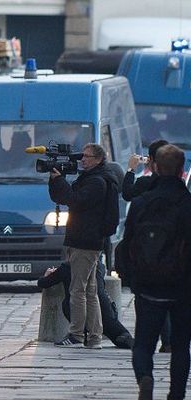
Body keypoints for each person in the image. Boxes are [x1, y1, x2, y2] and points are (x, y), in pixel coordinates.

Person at [120, 144, 191, 400]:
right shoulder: (187, 204)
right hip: (183, 288)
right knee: (182, 345)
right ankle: (176, 394)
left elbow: (126, 244)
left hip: (148, 286)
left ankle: (145, 378)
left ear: (155, 167)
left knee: (143, 344)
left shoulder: (141, 203)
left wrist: (131, 279)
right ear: (182, 170)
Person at [48, 143, 119, 349]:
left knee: (77, 290)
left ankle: (77, 334)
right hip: (85, 239)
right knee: (89, 290)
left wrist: (60, 180)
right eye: (83, 156)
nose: (82, 160)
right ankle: (95, 337)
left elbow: (74, 200)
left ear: (98, 159)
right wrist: (55, 180)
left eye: (87, 157)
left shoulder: (97, 182)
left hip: (85, 241)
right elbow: (62, 197)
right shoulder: (93, 178)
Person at [122, 139, 172, 354]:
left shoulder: (145, 184)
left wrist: (131, 169)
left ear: (151, 161)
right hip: (173, 250)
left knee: (148, 297)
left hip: (148, 249)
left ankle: (149, 341)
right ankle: (170, 341)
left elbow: (127, 193)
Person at [38, 262, 134, 349]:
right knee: (117, 331)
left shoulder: (67, 268)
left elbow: (43, 283)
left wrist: (47, 275)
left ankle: (79, 335)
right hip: (105, 310)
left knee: (68, 303)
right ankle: (129, 340)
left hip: (80, 314)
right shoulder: (99, 266)